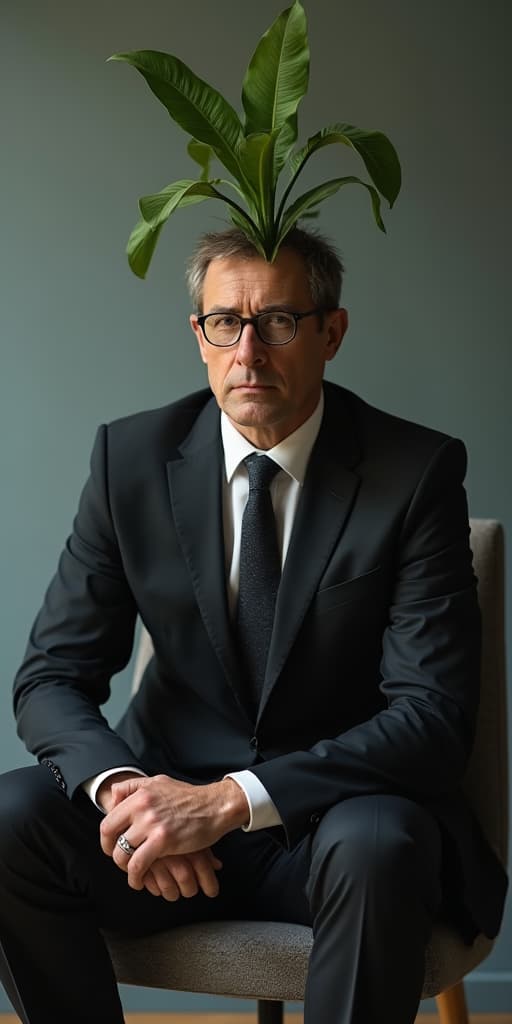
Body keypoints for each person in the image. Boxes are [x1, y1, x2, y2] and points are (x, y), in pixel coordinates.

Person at [0, 227, 507, 1024]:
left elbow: (432, 719)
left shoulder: (415, 473)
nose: (248, 352)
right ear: (197, 336)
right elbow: (50, 678)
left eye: (277, 322)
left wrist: (232, 801)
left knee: (378, 842)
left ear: (330, 332)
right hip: (168, 824)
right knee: (8, 820)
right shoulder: (128, 460)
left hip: (336, 825)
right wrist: (132, 798)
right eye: (224, 323)